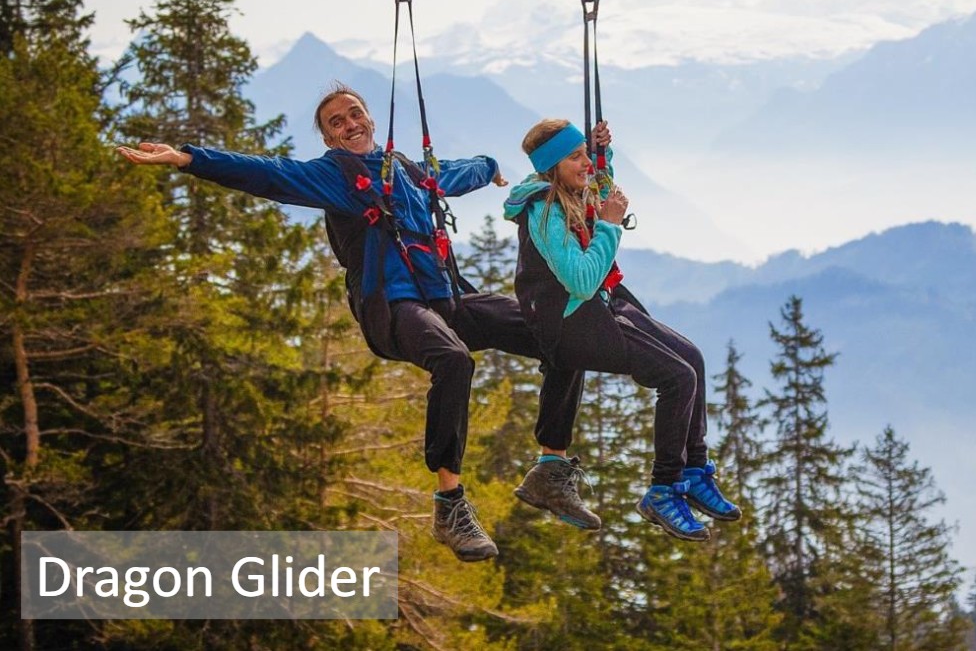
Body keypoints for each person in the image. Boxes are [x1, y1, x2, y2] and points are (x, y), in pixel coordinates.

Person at [117, 84, 599, 561]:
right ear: (329, 138)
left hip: (447, 300)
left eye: (354, 114)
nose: (349, 124)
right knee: (453, 360)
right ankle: (450, 504)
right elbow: (268, 173)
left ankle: (550, 469)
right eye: (337, 122)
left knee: (565, 332)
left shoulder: (406, 169)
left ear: (370, 118)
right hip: (393, 307)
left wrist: (489, 167)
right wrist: (188, 159)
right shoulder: (333, 176)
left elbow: (453, 172)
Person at [502, 119, 740, 542]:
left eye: (584, 154)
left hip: (599, 305)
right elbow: (580, 280)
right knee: (677, 377)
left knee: (693, 359)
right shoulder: (545, 213)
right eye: (575, 157)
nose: (585, 165)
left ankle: (693, 468)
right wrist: (610, 226)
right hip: (572, 322)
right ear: (553, 167)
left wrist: (601, 153)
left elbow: (598, 181)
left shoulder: (573, 191)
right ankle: (663, 489)